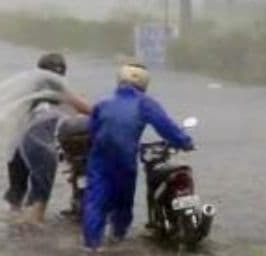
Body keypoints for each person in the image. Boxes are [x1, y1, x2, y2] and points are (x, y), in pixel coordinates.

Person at [81, 61, 193, 253]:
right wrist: (185, 142)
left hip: (99, 159)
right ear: (144, 82)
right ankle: (118, 238)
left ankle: (92, 245)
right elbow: (166, 128)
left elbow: (92, 131)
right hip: (125, 160)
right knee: (123, 201)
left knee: (95, 201)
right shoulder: (145, 103)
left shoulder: (102, 103)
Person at [0, 52, 91, 220]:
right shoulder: (56, 88)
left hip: (17, 145)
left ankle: (13, 233)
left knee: (16, 196)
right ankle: (33, 237)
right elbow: (86, 109)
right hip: (40, 145)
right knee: (39, 202)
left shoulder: (27, 89)